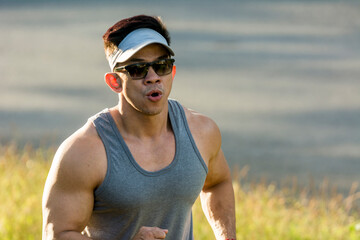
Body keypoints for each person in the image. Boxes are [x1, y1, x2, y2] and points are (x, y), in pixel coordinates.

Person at [42, 15, 236, 240]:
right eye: (137, 69)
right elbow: (57, 234)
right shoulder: (83, 152)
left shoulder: (201, 132)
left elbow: (218, 183)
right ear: (115, 81)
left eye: (161, 65)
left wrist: (226, 236)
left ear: (172, 72)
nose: (153, 77)